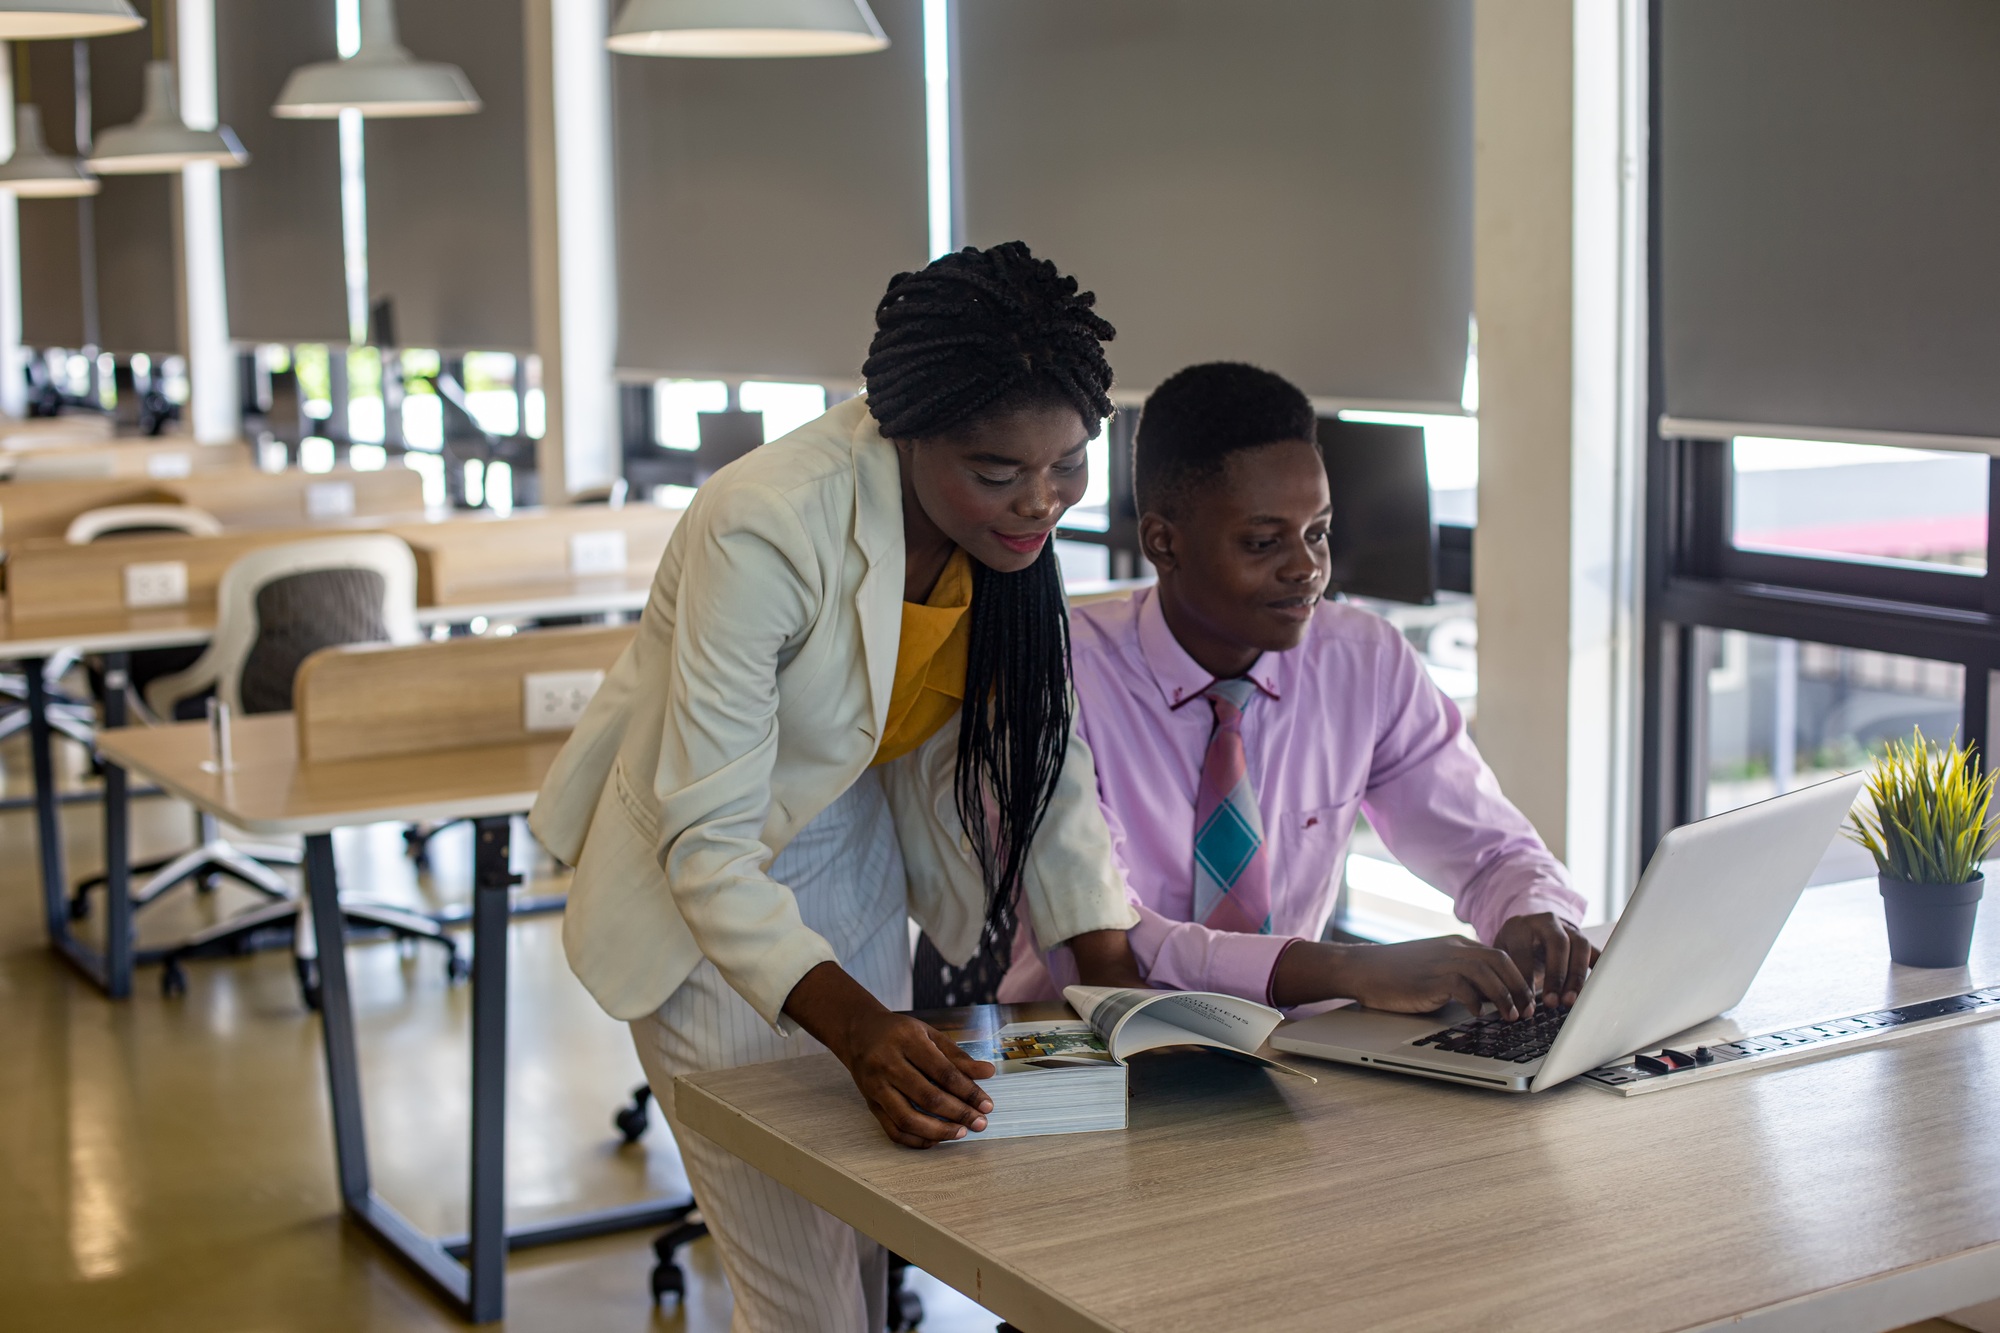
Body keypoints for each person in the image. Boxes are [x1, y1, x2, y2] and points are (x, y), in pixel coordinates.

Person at [529, 242, 1145, 1332]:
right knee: (801, 1296)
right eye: (998, 471)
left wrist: (1116, 982)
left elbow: (1044, 757)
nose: (1039, 501)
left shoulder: (1004, 529)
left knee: (858, 1243)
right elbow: (706, 840)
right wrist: (858, 1030)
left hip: (852, 853)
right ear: (905, 427)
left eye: (1068, 464)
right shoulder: (763, 520)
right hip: (704, 887)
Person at [999, 361, 1596, 1020]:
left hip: (1296, 1060)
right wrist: (1347, 966)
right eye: (1263, 541)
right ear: (1163, 543)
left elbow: (1491, 853)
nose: (1306, 567)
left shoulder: (1363, 663)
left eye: (1318, 532)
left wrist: (1532, 915)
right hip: (1084, 1052)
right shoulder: (1055, 675)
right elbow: (1114, 938)